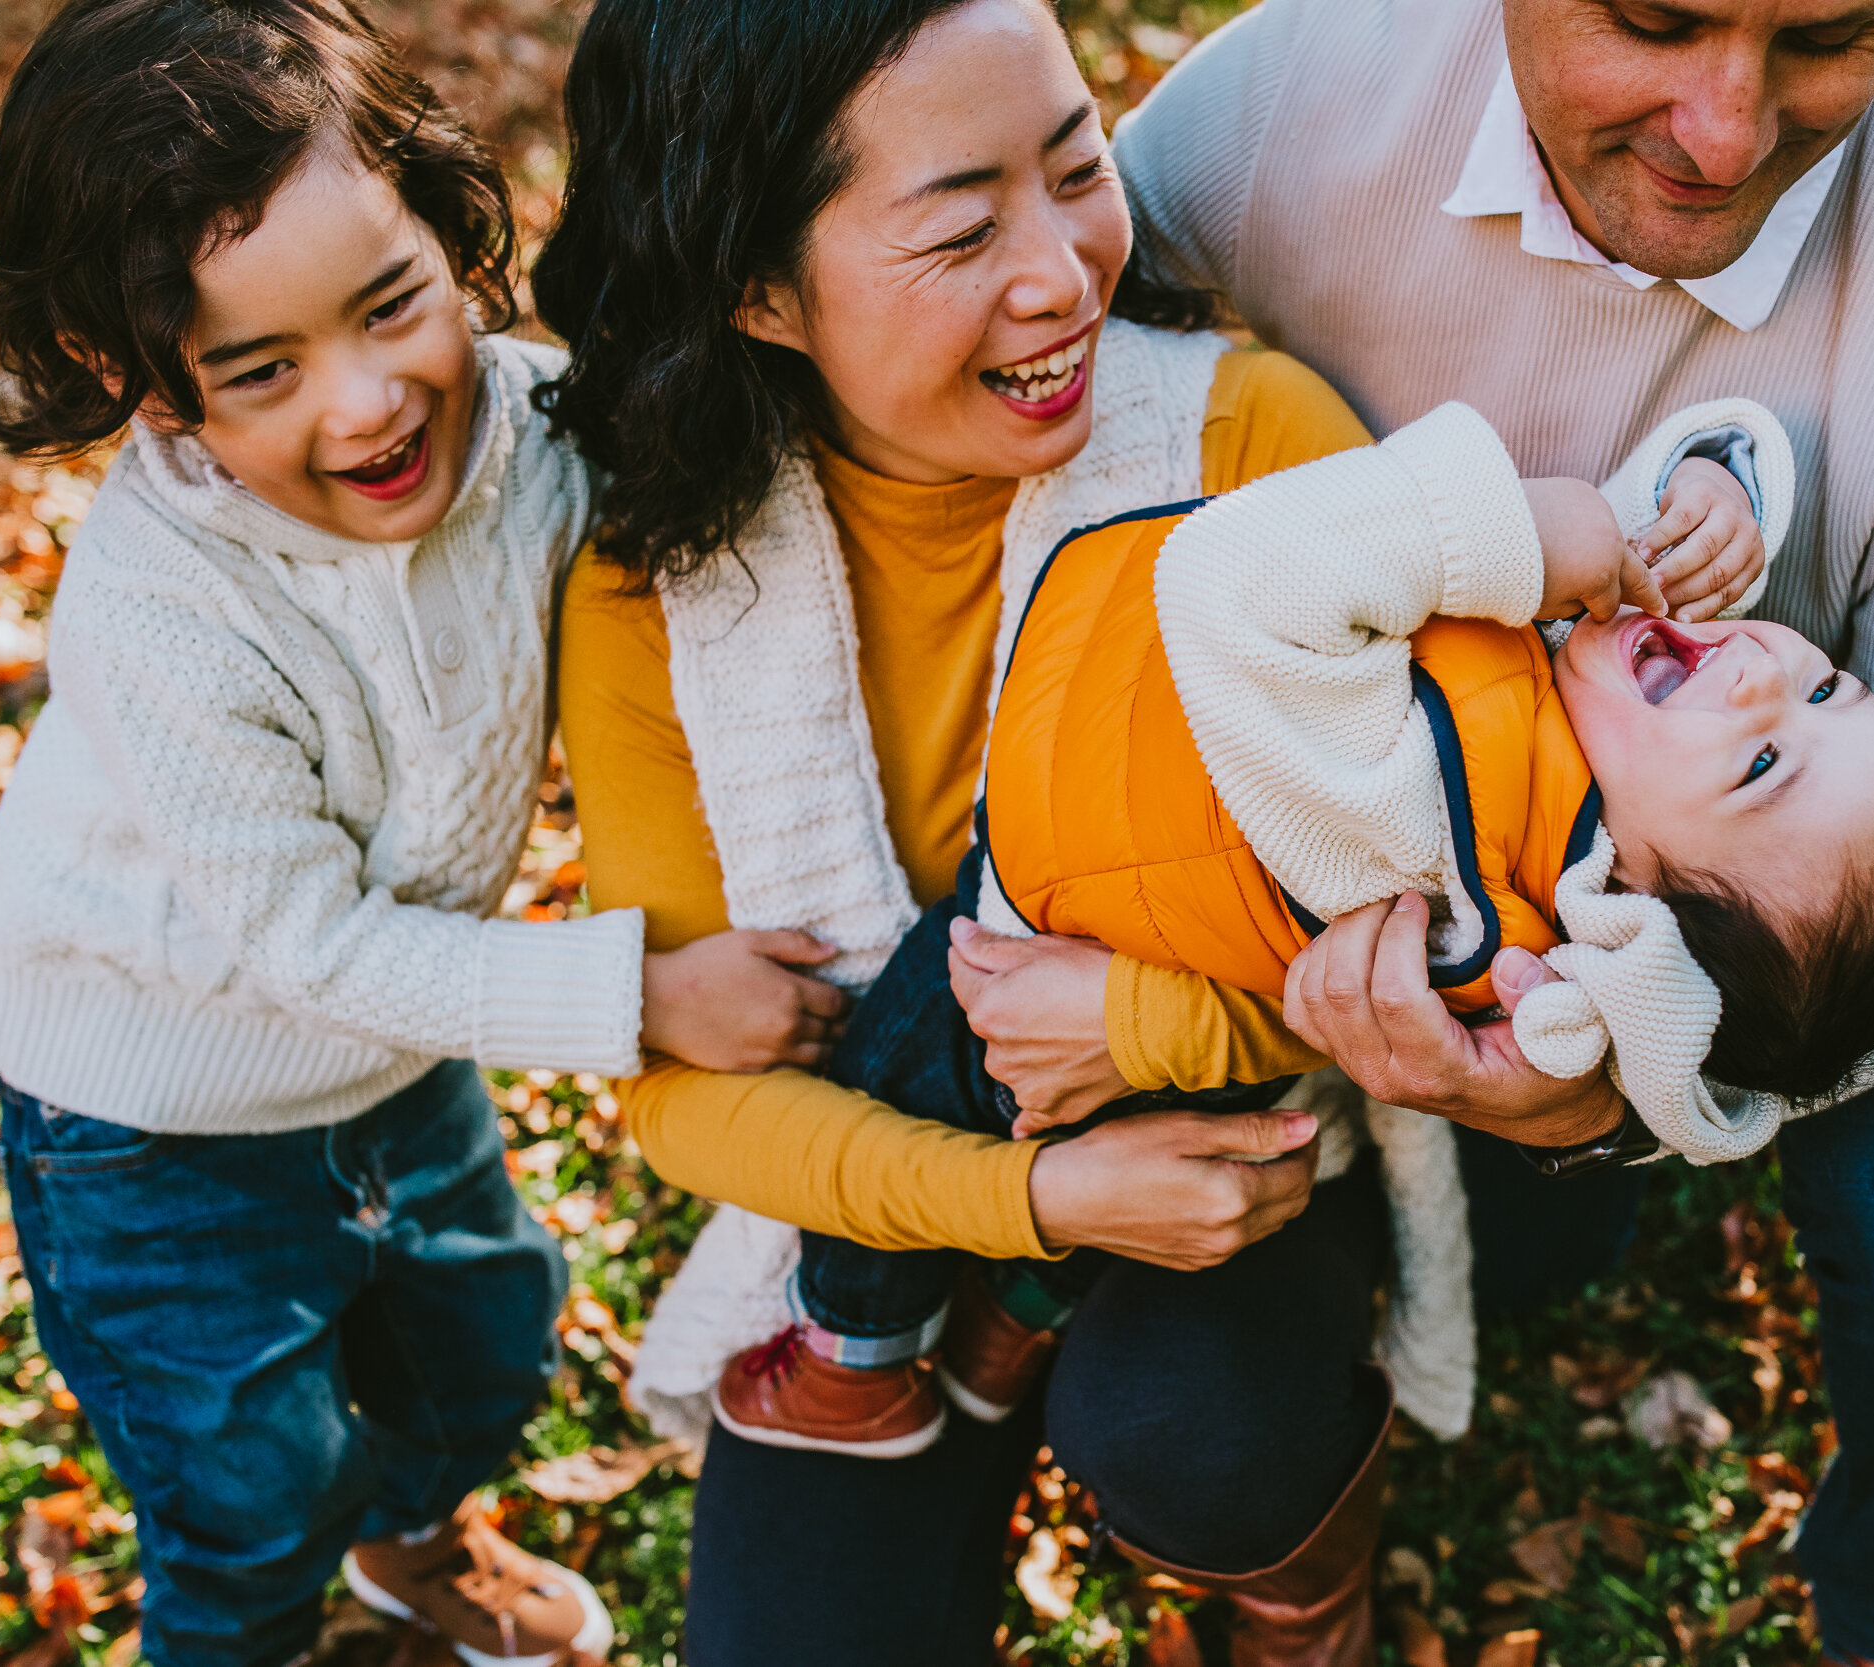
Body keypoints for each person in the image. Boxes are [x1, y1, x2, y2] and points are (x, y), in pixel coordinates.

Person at [537, 0, 1755, 1654]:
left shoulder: (1243, 441)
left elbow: (1455, 910)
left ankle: (1298, 1590)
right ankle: (960, 1347)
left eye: (1076, 170)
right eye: (963, 228)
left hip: (1262, 1138)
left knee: (1201, 1432)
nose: (1060, 272)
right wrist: (1039, 1205)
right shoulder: (656, 589)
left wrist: (1148, 1022)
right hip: (898, 1197)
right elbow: (693, 1104)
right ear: (760, 287)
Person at [1099, 0, 1874, 1660]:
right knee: (1478, 1273)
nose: (1726, 131)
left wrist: (1590, 1091)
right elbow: (1038, 468)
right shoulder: (1270, 111)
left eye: (1826, 36)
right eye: (1657, 21)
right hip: (1425, 789)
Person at [0, 3, 842, 1660]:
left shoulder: (530, 431)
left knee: (482, 1339)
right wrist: (648, 994)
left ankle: (417, 1552)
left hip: (391, 1051)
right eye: (262, 369)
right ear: (138, 388)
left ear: (451, 236)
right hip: (148, 1115)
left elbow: (700, 489)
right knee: (246, 1476)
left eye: (391, 304)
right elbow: (302, 946)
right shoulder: (166, 613)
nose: (369, 402)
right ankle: (259, 1622)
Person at [726, 389, 1874, 1460]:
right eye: (1830, 686)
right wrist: (1713, 484)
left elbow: (1238, 582)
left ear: (1635, 905)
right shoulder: (1579, 758)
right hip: (1148, 892)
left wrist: (1513, 527)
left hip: (1052, 900)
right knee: (1138, 1135)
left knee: (895, 1074)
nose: (1768, 670)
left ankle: (856, 1362)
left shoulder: (1437, 822)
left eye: (1763, 762)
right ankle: (1019, 1314)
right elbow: (1621, 531)